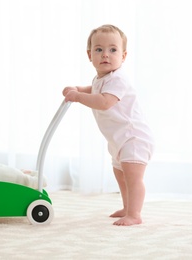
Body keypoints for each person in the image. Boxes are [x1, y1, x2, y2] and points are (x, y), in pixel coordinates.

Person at [63, 24, 154, 226]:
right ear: (89, 55)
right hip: (118, 139)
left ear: (123, 56)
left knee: (132, 177)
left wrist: (78, 97)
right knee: (120, 174)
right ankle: (127, 206)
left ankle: (135, 214)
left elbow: (104, 102)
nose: (106, 54)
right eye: (99, 49)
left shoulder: (118, 79)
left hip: (134, 138)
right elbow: (93, 89)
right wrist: (78, 88)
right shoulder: (100, 78)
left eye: (113, 50)